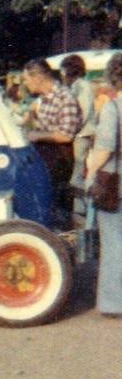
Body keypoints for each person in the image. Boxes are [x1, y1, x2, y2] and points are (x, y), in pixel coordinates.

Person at [23, 58, 82, 229]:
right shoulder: (43, 99)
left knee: (58, 210)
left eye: (27, 79)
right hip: (46, 160)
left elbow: (66, 135)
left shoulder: (65, 97)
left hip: (59, 161)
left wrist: (37, 135)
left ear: (37, 78)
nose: (26, 85)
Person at [86, 52, 122, 316]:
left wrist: (90, 170)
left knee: (113, 242)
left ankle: (114, 303)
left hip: (115, 184)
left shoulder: (112, 109)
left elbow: (105, 148)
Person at [60, 54, 96, 214]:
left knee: (77, 175)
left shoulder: (82, 86)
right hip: (79, 135)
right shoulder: (77, 85)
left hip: (81, 136)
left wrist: (71, 129)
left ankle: (81, 210)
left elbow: (83, 111)